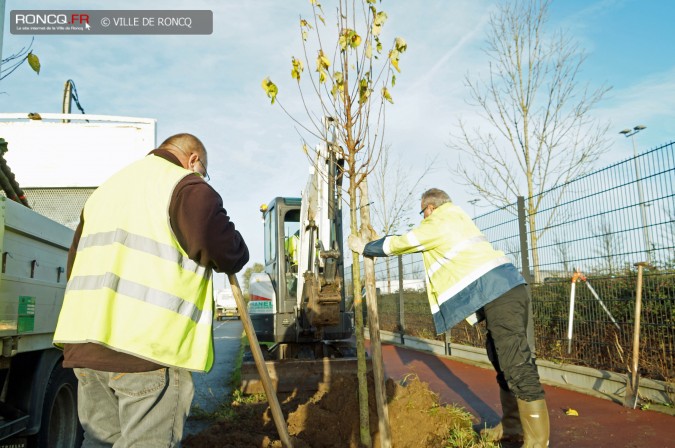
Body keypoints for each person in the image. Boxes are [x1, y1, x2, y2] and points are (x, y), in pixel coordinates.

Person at [53, 133, 249, 447]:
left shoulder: (106, 191)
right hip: (146, 351)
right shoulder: (185, 185)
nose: (200, 176)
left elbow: (76, 262)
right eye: (202, 170)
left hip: (86, 350)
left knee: (99, 442)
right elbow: (220, 246)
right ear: (193, 159)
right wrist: (239, 250)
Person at [348, 188, 549, 448]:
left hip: (500, 293)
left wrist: (367, 247)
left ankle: (537, 442)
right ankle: (512, 426)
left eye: (422, 213)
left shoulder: (440, 221)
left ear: (430, 208)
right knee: (501, 358)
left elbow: (404, 242)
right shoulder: (457, 217)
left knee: (516, 363)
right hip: (505, 289)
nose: (423, 218)